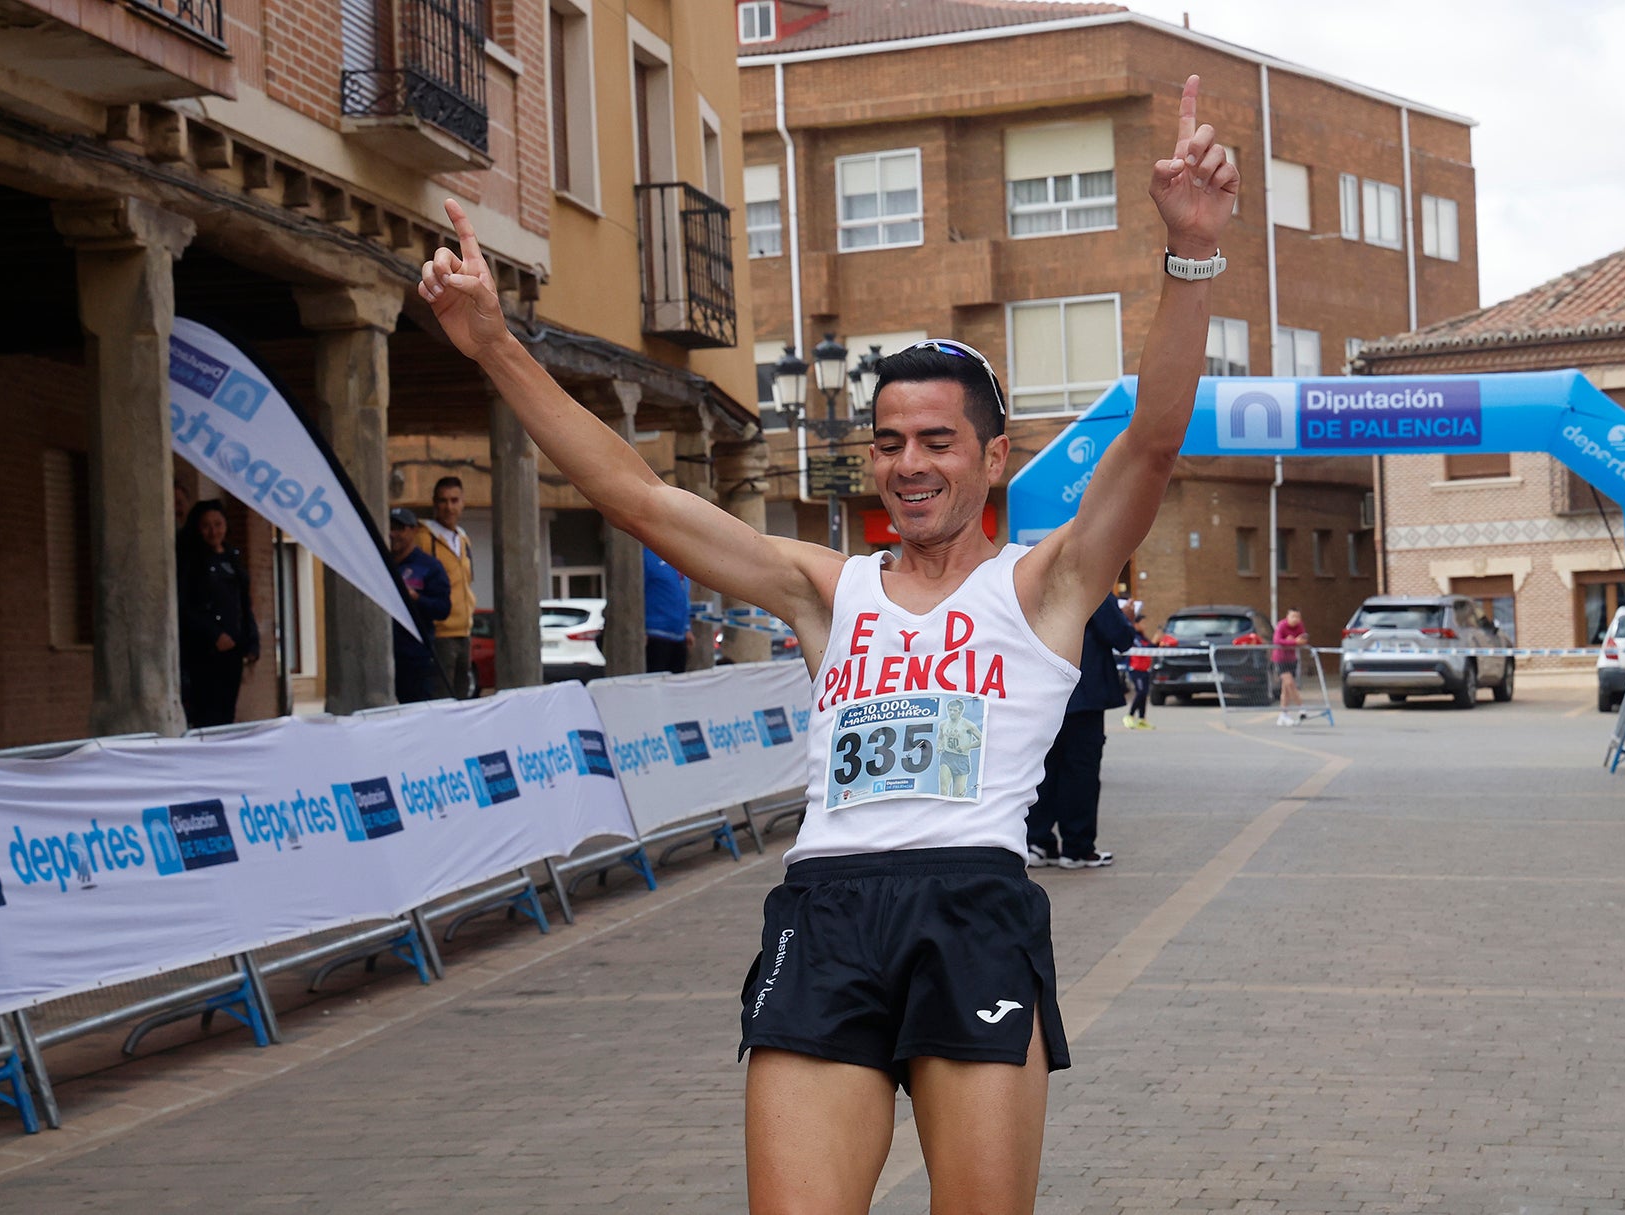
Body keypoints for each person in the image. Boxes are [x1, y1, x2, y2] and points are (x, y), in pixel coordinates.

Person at [416, 73, 1236, 1212]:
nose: (910, 464)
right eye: (890, 441)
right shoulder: (826, 590)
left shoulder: (1043, 586)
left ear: (993, 457)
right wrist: (495, 347)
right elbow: (639, 499)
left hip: (971, 908)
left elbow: (1148, 444)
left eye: (938, 440)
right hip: (826, 911)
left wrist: (1189, 253)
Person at [1026, 596, 1138, 869]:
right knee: (1080, 773)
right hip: (1083, 693)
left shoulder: (1030, 582)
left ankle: (1038, 841)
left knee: (1043, 770)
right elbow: (1120, 637)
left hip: (1038, 692)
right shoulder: (1091, 586)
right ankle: (1077, 848)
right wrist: (1127, 619)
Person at [177, 499, 260, 728]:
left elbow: (244, 603)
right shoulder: (191, 561)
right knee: (207, 715)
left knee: (227, 713)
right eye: (206, 526)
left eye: (218, 524)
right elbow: (184, 607)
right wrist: (213, 634)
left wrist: (252, 643)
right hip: (205, 652)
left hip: (233, 651)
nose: (213, 531)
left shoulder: (232, 557)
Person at [414, 476, 476, 697]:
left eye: (454, 500)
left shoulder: (463, 539)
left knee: (462, 698)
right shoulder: (423, 538)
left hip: (464, 632)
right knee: (442, 698)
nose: (449, 507)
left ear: (463, 502)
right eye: (443, 501)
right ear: (434, 503)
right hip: (439, 634)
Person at [389, 507, 451, 703]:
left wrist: (416, 598)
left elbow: (443, 609)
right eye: (389, 527)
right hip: (384, 657)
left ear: (414, 530)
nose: (392, 534)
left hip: (416, 659)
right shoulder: (383, 564)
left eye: (399, 528)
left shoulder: (429, 566)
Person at [644, 546, 692, 674]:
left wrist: (687, 628)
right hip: (655, 633)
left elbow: (684, 597)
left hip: (679, 635)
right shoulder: (647, 557)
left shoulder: (679, 561)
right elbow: (636, 593)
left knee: (678, 680)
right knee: (656, 678)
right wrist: (641, 629)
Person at [1272, 607, 1308, 726]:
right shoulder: (1281, 626)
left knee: (1286, 689)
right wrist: (1293, 641)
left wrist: (1297, 641)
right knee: (1290, 683)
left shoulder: (1300, 626)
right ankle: (1301, 707)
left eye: (1297, 617)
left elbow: (1303, 639)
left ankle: (1283, 714)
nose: (1295, 619)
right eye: (1293, 616)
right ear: (1287, 617)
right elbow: (1277, 640)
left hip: (1292, 659)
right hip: (1280, 659)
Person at [1122, 611, 1158, 729]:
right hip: (1135, 669)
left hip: (1145, 669)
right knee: (1141, 692)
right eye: (1142, 623)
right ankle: (1129, 715)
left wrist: (1158, 642)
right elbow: (1144, 648)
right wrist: (1154, 641)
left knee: (1144, 693)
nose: (1145, 626)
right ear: (1136, 624)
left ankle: (1142, 719)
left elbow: (1152, 647)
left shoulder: (1143, 637)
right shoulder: (1134, 637)